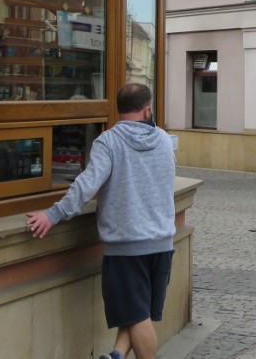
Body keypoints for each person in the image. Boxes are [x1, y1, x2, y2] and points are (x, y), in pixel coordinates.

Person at [27, 83, 176, 359]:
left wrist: (53, 213)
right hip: (163, 244)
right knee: (137, 314)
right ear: (147, 110)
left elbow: (86, 185)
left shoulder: (108, 141)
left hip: (126, 247)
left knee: (137, 315)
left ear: (118, 109)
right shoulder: (165, 140)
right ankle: (116, 356)